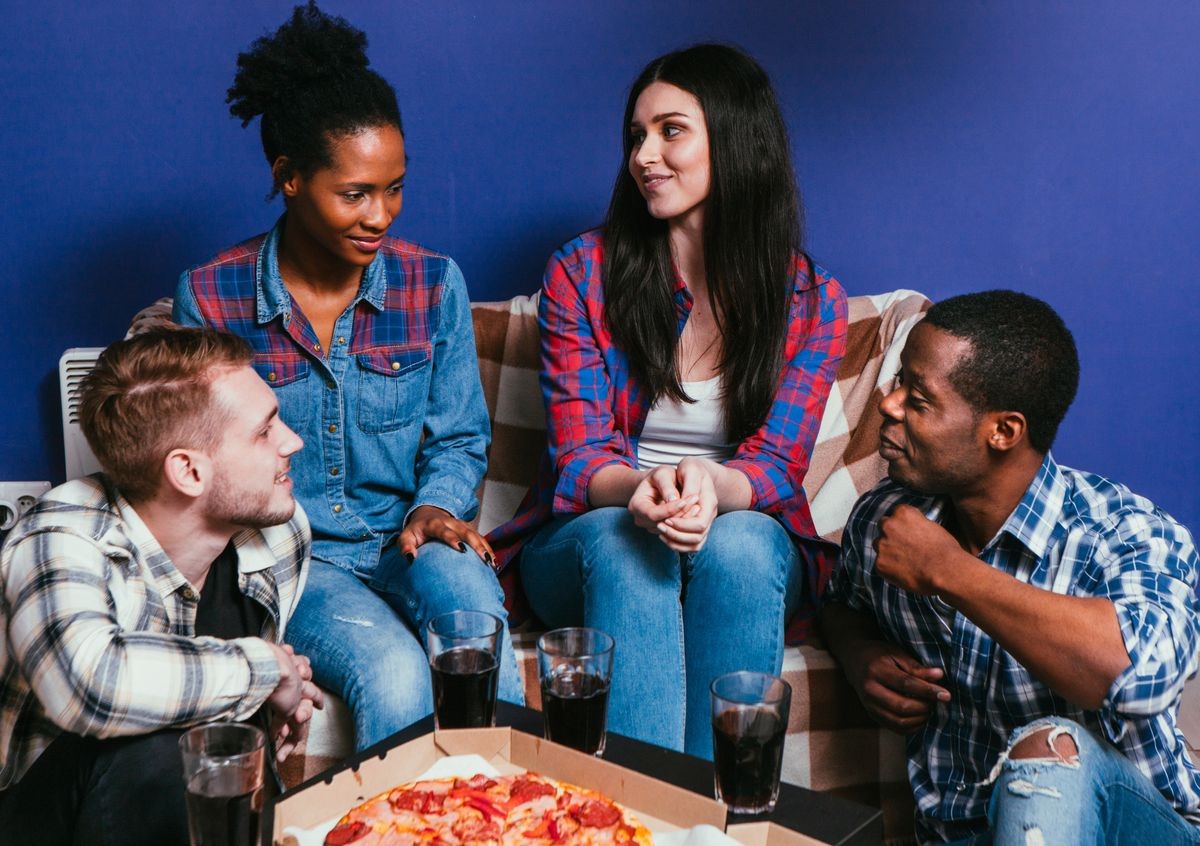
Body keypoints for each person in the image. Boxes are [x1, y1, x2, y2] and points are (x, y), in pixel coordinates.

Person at [173, 1, 522, 751]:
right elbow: (212, 474)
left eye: (395, 187)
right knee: (396, 675)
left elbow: (459, 436)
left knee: (478, 637)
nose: (381, 215)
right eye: (355, 193)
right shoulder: (211, 297)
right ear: (290, 178)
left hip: (412, 537)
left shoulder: (434, 284)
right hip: (296, 563)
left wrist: (436, 507)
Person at [488, 44, 848, 758]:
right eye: (636, 136)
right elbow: (582, 457)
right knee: (629, 542)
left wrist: (710, 488)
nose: (644, 156)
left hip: (732, 536)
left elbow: (776, 465)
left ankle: (724, 821)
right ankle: (640, 817)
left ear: (735, 139)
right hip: (598, 536)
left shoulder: (810, 301)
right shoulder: (581, 273)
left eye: (670, 131)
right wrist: (644, 489)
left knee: (745, 544)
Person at [821, 290, 1200, 844]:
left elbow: (1135, 677)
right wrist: (861, 657)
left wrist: (950, 571)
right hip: (960, 834)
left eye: (918, 399)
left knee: (1049, 747)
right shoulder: (886, 517)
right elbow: (841, 606)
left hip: (1140, 831)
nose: (889, 404)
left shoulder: (1130, 533)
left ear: (1003, 431)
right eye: (899, 381)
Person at [0, 327, 320, 846]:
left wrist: (271, 700)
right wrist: (269, 667)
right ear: (188, 471)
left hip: (177, 817)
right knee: (162, 752)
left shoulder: (280, 533)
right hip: (40, 819)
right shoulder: (60, 535)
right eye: (264, 432)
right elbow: (92, 686)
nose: (291, 441)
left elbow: (221, 707)